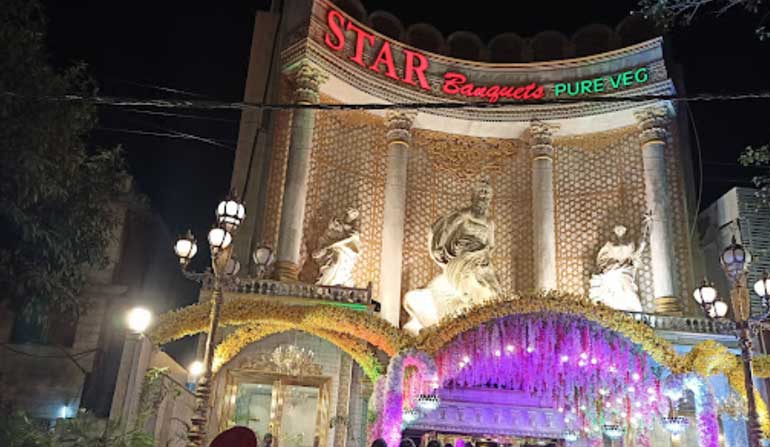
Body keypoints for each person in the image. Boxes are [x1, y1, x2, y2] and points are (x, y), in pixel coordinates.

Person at [403, 177, 502, 334]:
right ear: (474, 196)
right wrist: (440, 248)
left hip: (480, 257)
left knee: (494, 289)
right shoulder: (465, 214)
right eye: (481, 193)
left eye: (487, 194)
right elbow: (448, 228)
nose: (484, 196)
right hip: (462, 254)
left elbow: (491, 244)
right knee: (468, 281)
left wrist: (483, 255)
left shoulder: (489, 222)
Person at [588, 212, 651, 313]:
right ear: (614, 231)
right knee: (611, 284)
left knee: (629, 292)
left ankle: (633, 311)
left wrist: (642, 245)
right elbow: (602, 260)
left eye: (622, 229)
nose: (620, 231)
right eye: (618, 229)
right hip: (613, 270)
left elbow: (635, 256)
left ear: (625, 230)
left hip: (625, 271)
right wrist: (611, 266)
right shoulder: (609, 245)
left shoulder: (630, 244)